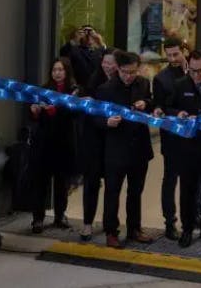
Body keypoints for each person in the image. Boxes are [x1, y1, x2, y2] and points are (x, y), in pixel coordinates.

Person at [96, 50, 154, 248]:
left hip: (139, 147)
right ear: (117, 69)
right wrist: (107, 122)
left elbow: (151, 101)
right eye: (125, 72)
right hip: (116, 149)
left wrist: (145, 102)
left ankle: (134, 229)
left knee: (136, 191)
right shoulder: (106, 89)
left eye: (133, 72)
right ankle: (111, 231)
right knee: (112, 192)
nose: (129, 76)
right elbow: (94, 117)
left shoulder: (143, 83)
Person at [162, 50, 201, 248]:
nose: (196, 75)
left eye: (200, 71)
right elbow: (167, 108)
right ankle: (187, 228)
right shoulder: (180, 84)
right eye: (192, 71)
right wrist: (179, 113)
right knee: (187, 189)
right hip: (187, 147)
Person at [29, 57, 78, 234]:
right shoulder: (43, 89)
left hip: (64, 142)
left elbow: (74, 114)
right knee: (40, 181)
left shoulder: (73, 90)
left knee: (61, 182)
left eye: (60, 70)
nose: (57, 73)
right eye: (54, 70)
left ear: (67, 71)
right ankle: (38, 218)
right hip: (44, 143)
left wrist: (55, 110)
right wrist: (35, 112)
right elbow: (35, 116)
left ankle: (60, 215)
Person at [78, 48, 118, 241]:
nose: (107, 67)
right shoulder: (93, 81)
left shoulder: (122, 83)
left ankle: (109, 222)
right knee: (91, 182)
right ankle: (87, 223)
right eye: (105, 62)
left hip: (113, 140)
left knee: (112, 185)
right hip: (94, 139)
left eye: (112, 63)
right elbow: (87, 113)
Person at [152, 38, 189, 241]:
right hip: (172, 137)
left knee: (193, 180)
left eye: (176, 54)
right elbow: (160, 107)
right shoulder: (161, 79)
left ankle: (193, 219)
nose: (172, 58)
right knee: (170, 180)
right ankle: (170, 222)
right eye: (169, 55)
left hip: (194, 137)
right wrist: (173, 112)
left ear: (184, 51)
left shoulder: (195, 71)